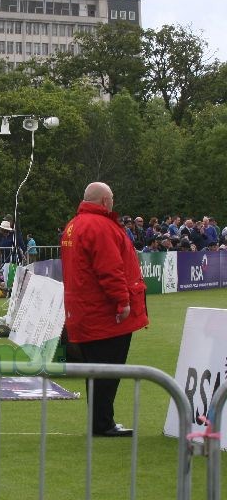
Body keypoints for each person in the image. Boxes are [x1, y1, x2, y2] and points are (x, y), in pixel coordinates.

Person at [60, 182, 148, 437]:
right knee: (108, 371)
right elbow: (110, 269)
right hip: (104, 315)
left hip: (84, 312)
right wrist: (122, 302)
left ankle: (100, 421)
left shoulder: (74, 226)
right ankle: (102, 423)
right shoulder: (100, 226)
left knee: (96, 371)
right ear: (106, 201)